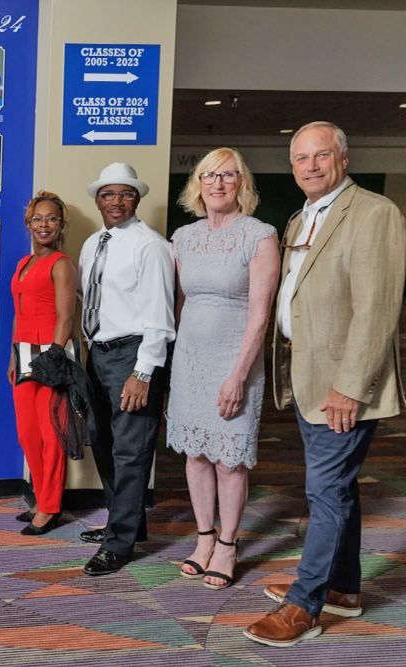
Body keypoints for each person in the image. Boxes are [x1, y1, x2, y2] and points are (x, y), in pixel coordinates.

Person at [245, 122, 406, 647]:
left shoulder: (375, 213)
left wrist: (351, 387)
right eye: (300, 159)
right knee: (339, 489)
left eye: (321, 156)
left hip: (343, 384)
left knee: (325, 491)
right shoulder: (300, 216)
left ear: (344, 157)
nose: (310, 166)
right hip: (305, 375)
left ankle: (304, 605)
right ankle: (343, 588)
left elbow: (376, 310)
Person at [167, 148, 279, 589]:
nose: (217, 183)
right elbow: (178, 304)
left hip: (235, 360)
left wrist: (237, 376)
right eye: (208, 175)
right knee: (195, 454)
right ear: (197, 184)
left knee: (230, 460)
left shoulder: (259, 235)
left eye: (227, 176)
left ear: (242, 184)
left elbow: (260, 315)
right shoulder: (183, 237)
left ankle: (228, 545)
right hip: (190, 359)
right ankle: (204, 537)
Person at [78, 163, 175, 576]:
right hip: (98, 354)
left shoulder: (150, 246)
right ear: (97, 200)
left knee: (131, 451)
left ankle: (120, 545)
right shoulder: (91, 243)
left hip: (134, 356)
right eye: (108, 195)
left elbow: (160, 316)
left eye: (126, 194)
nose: (116, 202)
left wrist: (143, 372)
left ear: (137, 199)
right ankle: (127, 523)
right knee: (103, 443)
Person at [8, 191, 77, 536]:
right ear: (28, 223)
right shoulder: (23, 263)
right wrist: (13, 356)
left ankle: (50, 507)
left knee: (52, 434)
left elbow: (66, 317)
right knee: (27, 433)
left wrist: (53, 358)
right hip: (24, 354)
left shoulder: (62, 264)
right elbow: (19, 315)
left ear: (61, 224)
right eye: (38, 218)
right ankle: (39, 496)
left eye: (51, 218)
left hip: (52, 356)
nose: (44, 224)